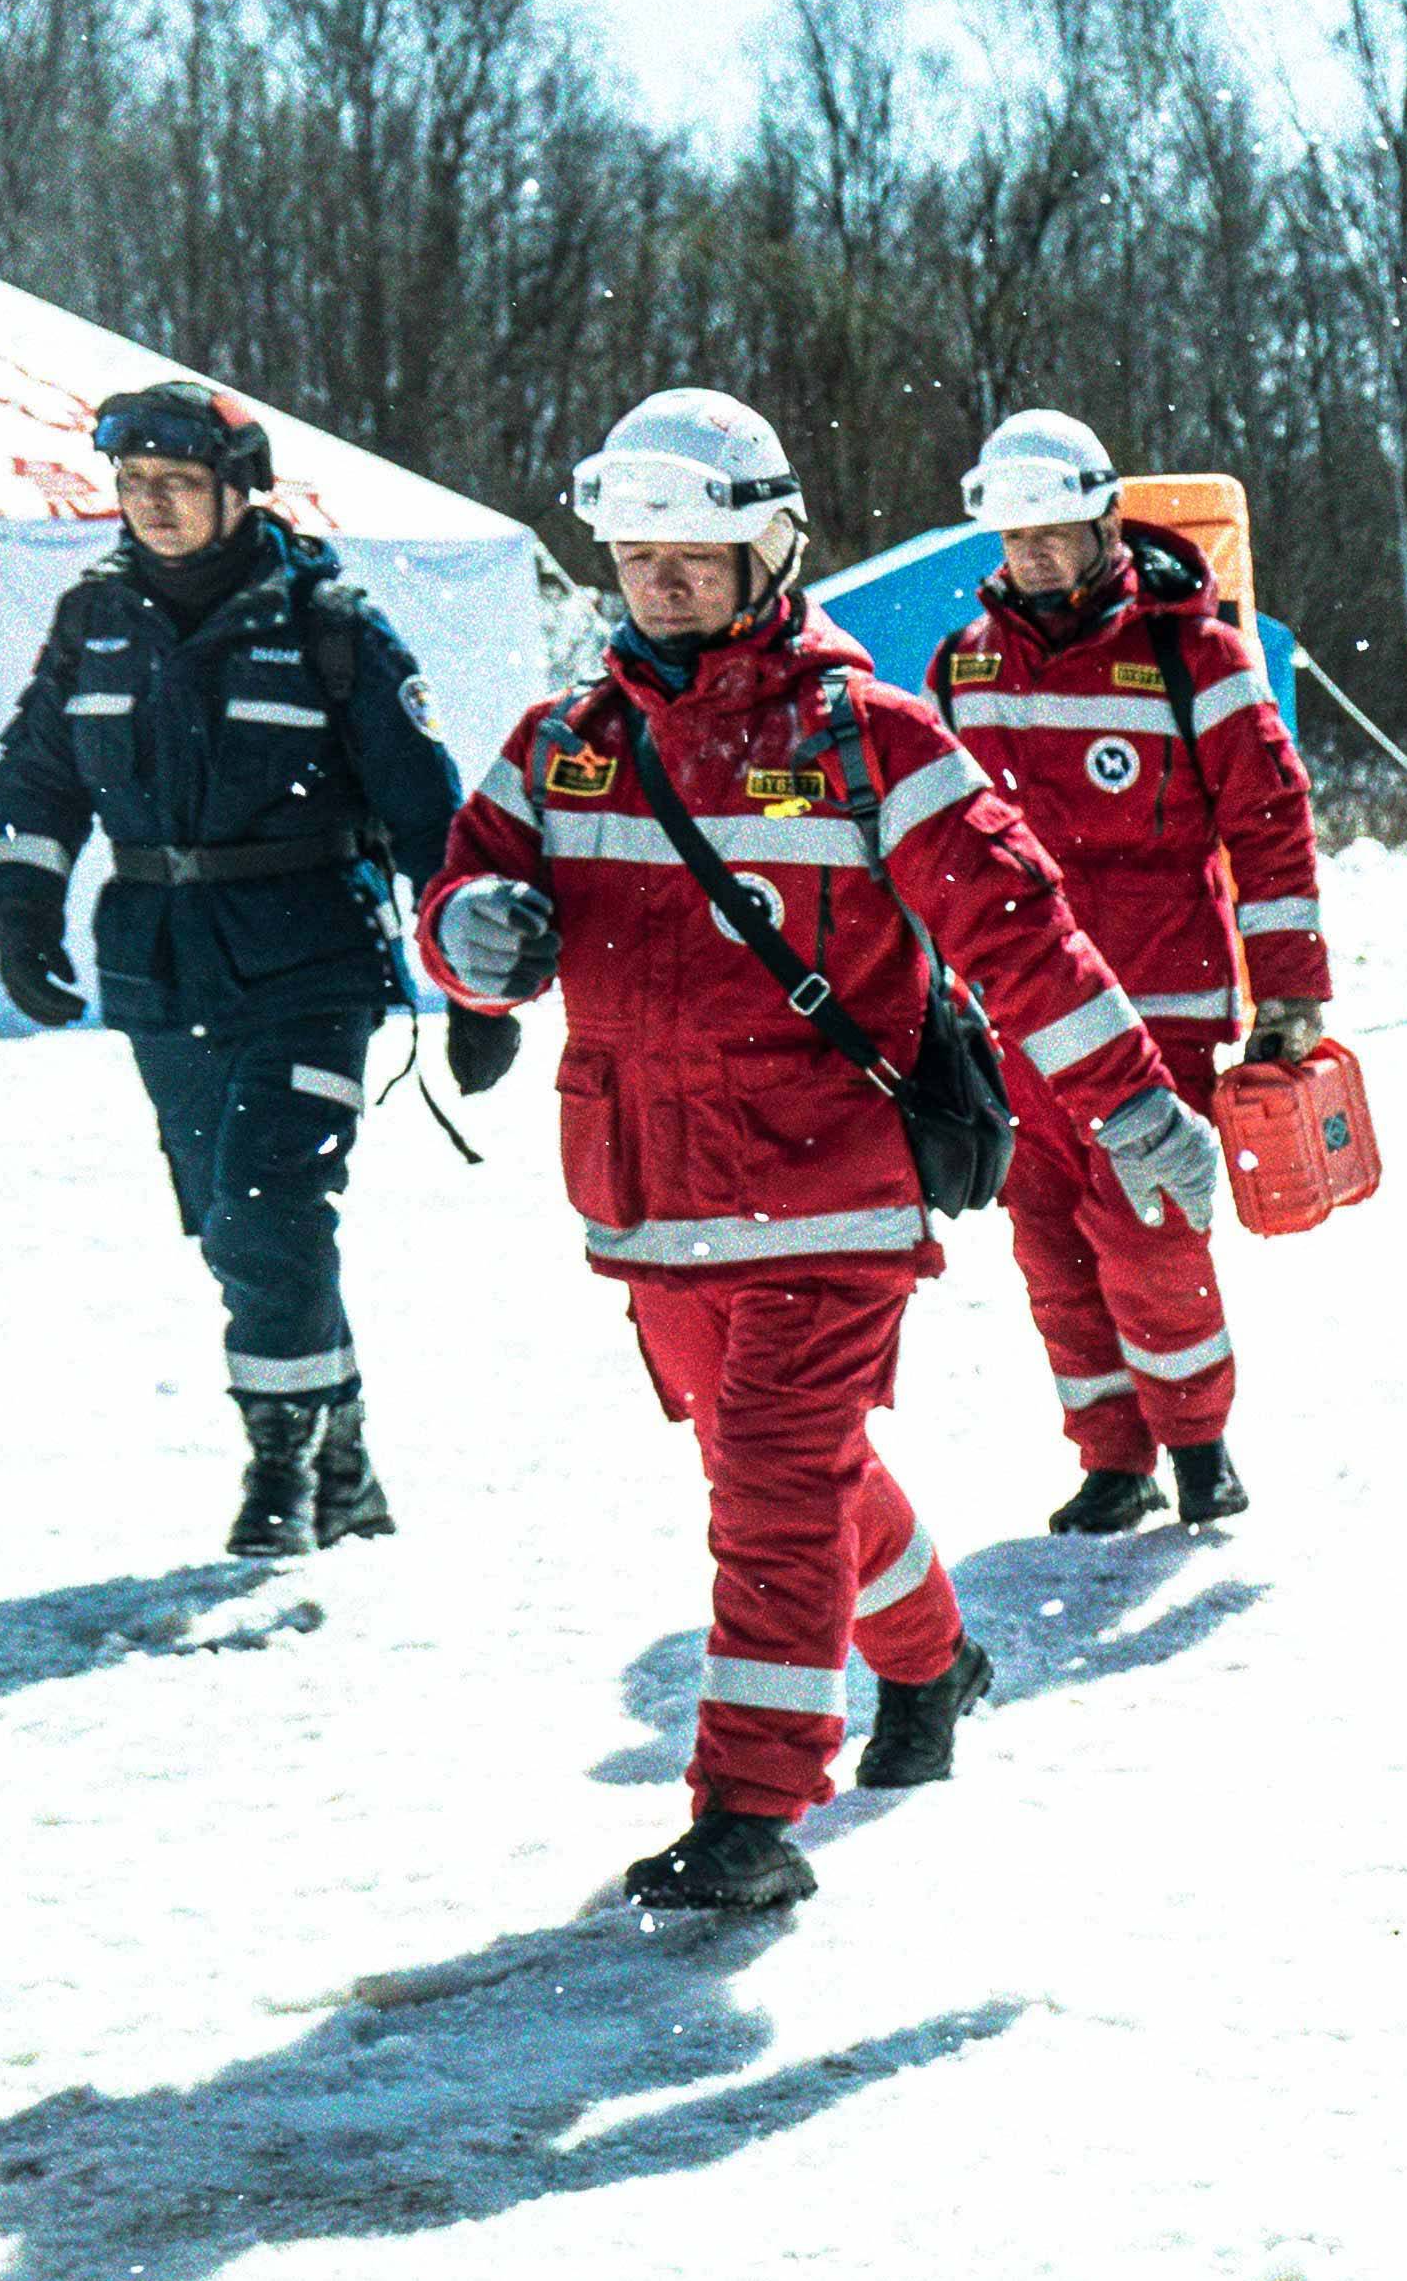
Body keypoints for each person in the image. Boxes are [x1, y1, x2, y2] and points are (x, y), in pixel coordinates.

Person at [420, 389, 1220, 1914]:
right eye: (640, 555)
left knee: (772, 1495)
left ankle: (747, 1811)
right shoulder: (566, 746)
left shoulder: (869, 739)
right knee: (792, 1473)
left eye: (696, 557)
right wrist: (471, 939)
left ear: (769, 554)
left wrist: (1131, 1099)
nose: (663, 583)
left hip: (826, 1193)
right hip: (649, 1201)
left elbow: (1022, 931)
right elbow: (467, 903)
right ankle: (934, 1661)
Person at [0, 379, 468, 1553]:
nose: (152, 506)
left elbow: (427, 812)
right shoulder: (92, 619)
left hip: (311, 961)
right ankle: (345, 1448)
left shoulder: (330, 626)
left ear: (239, 492)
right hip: (160, 968)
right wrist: (20, 904)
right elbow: (38, 778)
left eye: (178, 486)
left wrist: (471, 986)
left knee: (267, 1209)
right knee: (227, 1222)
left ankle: (281, 1470)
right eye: (135, 485)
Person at [925, 406, 1333, 1532]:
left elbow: (1270, 818)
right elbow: (927, 850)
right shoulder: (960, 667)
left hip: (1161, 1011)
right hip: (1015, 1023)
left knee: (1151, 1237)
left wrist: (1289, 988)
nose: (1037, 557)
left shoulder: (1193, 653)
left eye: (1056, 531)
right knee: (1049, 1249)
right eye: (1016, 540)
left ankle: (1198, 1443)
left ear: (1109, 519)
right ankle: (1113, 1459)